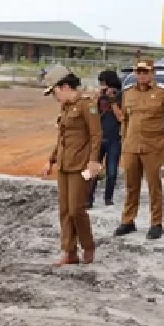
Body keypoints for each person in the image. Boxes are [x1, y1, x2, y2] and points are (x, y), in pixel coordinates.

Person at [115, 57, 164, 240]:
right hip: (131, 146)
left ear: (152, 73)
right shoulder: (128, 92)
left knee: (154, 186)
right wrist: (124, 139)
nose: (142, 75)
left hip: (153, 146)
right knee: (131, 185)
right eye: (139, 72)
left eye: (145, 72)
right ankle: (128, 221)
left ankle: (156, 223)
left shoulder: (162, 92)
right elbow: (125, 119)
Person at [40, 65, 102, 266]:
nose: (54, 97)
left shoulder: (87, 105)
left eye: (54, 92)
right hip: (64, 165)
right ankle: (69, 252)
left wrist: (93, 161)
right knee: (65, 210)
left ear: (65, 86)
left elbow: (96, 135)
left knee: (76, 209)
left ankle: (88, 245)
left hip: (81, 166)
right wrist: (51, 160)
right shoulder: (65, 107)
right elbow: (62, 138)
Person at [85, 70, 124, 208]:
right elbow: (92, 114)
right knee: (92, 169)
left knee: (111, 171)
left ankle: (108, 198)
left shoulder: (121, 96)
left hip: (114, 139)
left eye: (103, 83)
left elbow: (121, 117)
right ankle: (88, 199)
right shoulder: (99, 97)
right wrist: (95, 100)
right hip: (99, 138)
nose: (102, 85)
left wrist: (112, 100)